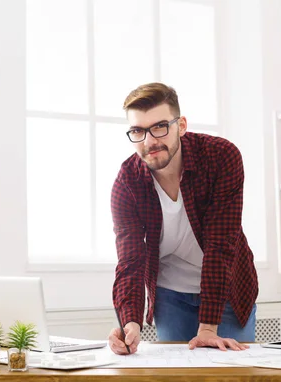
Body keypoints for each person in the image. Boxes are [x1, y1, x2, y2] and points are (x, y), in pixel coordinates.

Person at [108, 82, 258, 355]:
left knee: (233, 380)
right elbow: (130, 261)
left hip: (227, 292)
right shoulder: (127, 181)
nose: (150, 141)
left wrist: (208, 328)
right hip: (170, 296)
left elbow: (221, 244)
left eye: (160, 127)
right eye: (138, 131)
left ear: (182, 125)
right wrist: (129, 320)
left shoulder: (221, 156)